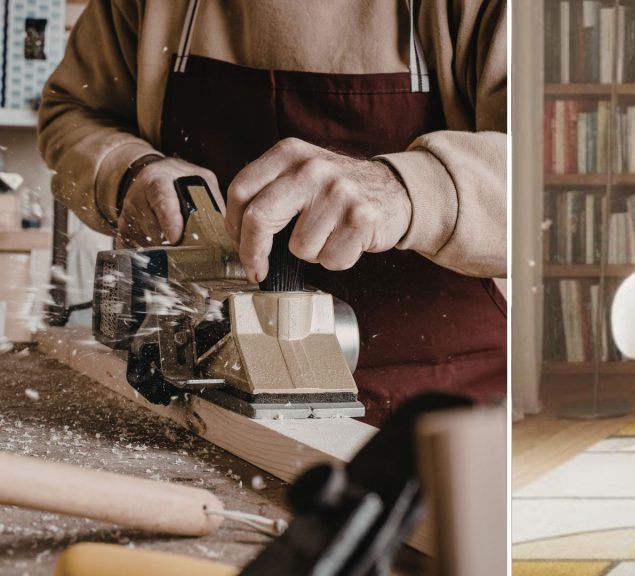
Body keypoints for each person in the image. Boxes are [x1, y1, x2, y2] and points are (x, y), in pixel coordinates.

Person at [38, 0, 507, 426]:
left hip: (438, 407)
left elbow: (536, 184)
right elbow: (73, 111)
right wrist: (130, 170)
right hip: (197, 401)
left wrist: (406, 189)